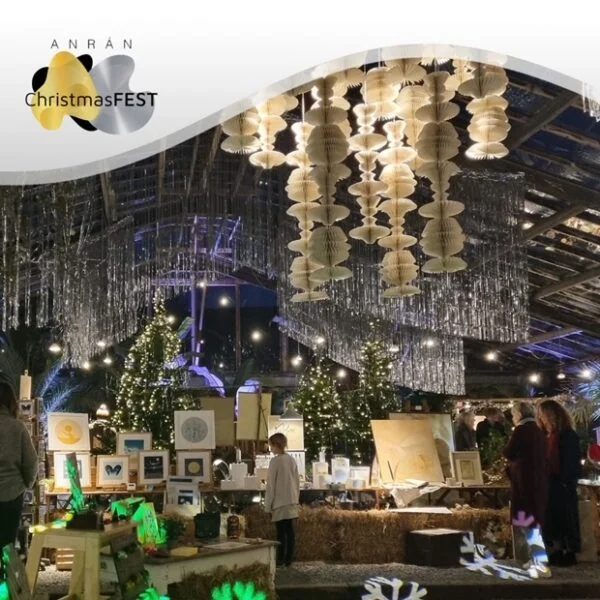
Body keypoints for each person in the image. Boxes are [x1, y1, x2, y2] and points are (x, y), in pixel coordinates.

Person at [502, 401, 550, 578]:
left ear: (519, 414)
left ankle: (541, 563)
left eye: (514, 414)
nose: (513, 418)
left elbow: (508, 452)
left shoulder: (521, 430)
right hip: (538, 483)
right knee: (533, 521)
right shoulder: (539, 430)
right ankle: (535, 559)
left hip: (524, 483)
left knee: (528, 523)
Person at [537, 399, 581, 566]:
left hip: (562, 483)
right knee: (551, 519)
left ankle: (568, 551)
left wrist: (566, 480)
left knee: (565, 518)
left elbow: (571, 461)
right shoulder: (546, 436)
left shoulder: (567, 435)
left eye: (544, 415)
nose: (542, 418)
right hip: (550, 482)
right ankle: (556, 550)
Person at [0, 382, 38, 549]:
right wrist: (27, 483)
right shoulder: (17, 428)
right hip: (12, 493)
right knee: (6, 545)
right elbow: (31, 462)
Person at [264, 433, 300, 567]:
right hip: (291, 500)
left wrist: (267, 505)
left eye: (271, 445)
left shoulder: (275, 462)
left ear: (276, 445)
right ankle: (289, 559)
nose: (271, 448)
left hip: (279, 502)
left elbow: (271, 485)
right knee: (290, 531)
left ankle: (280, 560)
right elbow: (297, 482)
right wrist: (296, 498)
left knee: (280, 533)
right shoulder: (291, 460)